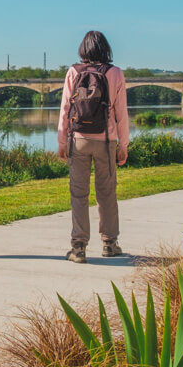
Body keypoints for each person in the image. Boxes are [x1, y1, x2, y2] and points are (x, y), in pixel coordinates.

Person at [56, 31, 129, 263]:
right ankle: (110, 243)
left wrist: (62, 141)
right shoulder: (115, 73)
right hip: (106, 141)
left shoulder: (73, 72)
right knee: (106, 193)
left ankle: (78, 247)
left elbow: (65, 109)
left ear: (83, 49)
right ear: (106, 48)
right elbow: (121, 113)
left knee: (78, 193)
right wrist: (123, 145)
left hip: (78, 140)